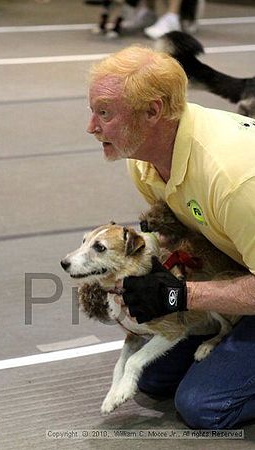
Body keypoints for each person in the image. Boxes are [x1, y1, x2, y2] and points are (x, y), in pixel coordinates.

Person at [86, 45, 255, 429]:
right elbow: (183, 240)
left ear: (153, 111)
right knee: (150, 377)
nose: (91, 127)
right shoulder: (145, 160)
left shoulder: (235, 180)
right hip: (242, 267)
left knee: (204, 407)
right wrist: (127, 283)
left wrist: (178, 295)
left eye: (105, 113)